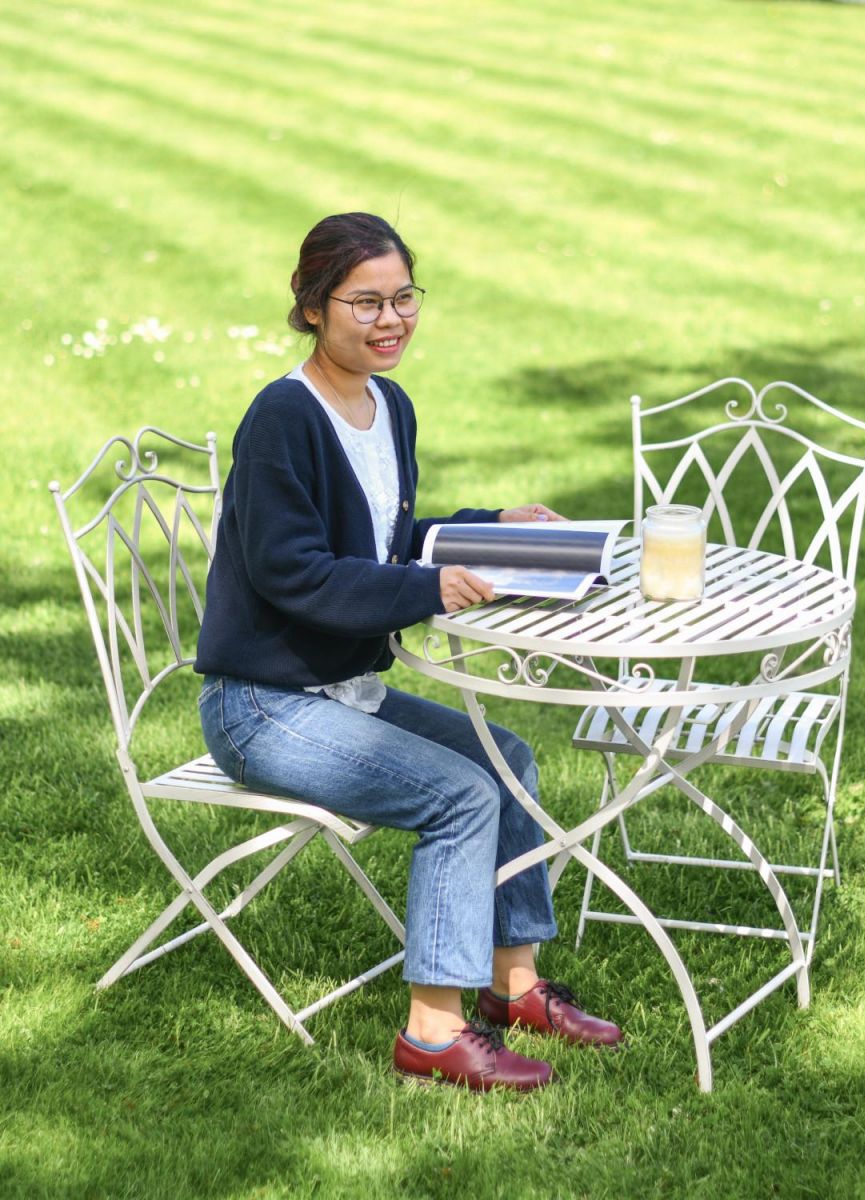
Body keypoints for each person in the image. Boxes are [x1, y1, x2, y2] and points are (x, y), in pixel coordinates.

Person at [195, 212, 622, 1092]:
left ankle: (515, 987)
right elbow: (293, 573)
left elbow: (387, 535)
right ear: (313, 307)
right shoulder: (283, 418)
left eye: (404, 298)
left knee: (506, 759)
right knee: (460, 797)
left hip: (344, 690)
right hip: (263, 705)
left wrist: (486, 529)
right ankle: (432, 1032)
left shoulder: (389, 405)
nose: (391, 320)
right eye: (367, 303)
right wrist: (431, 589)